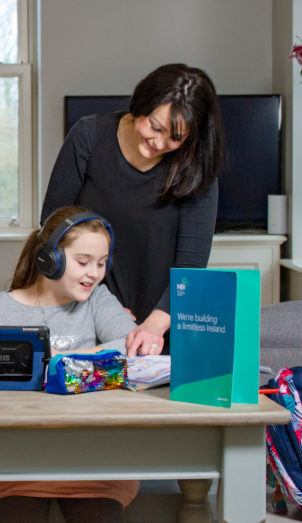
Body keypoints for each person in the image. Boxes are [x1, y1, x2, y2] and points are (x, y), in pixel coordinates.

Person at [41, 63, 224, 357]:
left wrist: (153, 326)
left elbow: (190, 268)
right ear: (142, 103)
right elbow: (51, 229)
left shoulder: (197, 169)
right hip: (86, 312)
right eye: (155, 126)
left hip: (161, 326)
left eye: (175, 138)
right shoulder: (90, 136)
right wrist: (98, 302)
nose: (159, 142)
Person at [0, 206, 138, 523]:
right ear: (50, 259)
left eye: (102, 263)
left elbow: (131, 346)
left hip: (92, 461)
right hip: (17, 463)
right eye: (83, 262)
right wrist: (89, 364)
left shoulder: (98, 299)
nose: (94, 273)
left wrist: (64, 364)